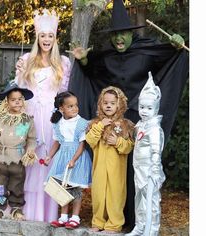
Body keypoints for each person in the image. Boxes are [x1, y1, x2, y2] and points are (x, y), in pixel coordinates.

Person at [68, 0, 189, 229]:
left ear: (131, 34)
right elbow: (91, 72)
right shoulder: (105, 57)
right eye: (115, 35)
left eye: (123, 34)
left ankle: (137, 222)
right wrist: (83, 60)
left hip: (139, 120)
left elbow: (171, 55)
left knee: (138, 168)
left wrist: (177, 44)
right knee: (113, 169)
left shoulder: (146, 51)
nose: (119, 39)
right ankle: (111, 219)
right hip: (114, 121)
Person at [14, 9, 71, 222]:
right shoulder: (27, 59)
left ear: (55, 38)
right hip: (30, 117)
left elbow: (65, 94)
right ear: (37, 38)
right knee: (28, 158)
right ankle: (25, 209)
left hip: (52, 119)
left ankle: (48, 212)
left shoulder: (63, 63)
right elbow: (18, 90)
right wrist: (20, 72)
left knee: (48, 160)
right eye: (42, 35)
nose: (46, 39)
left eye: (50, 36)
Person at [0, 81, 37, 222]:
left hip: (18, 159)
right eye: (13, 100)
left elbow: (32, 139)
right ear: (7, 102)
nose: (17, 102)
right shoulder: (0, 117)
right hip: (1, 159)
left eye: (20, 99)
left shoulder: (28, 120)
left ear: (23, 100)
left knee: (16, 185)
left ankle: (16, 209)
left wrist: (31, 151)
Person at [85, 86, 134, 234]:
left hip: (116, 170)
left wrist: (117, 142)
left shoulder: (126, 125)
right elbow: (90, 140)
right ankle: (98, 222)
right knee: (99, 195)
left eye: (112, 103)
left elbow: (129, 147)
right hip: (99, 167)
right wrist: (101, 126)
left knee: (116, 196)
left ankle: (114, 224)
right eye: (105, 102)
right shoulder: (95, 124)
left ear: (119, 105)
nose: (108, 105)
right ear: (100, 104)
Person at [125, 72, 166, 236]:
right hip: (139, 168)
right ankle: (140, 226)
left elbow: (156, 150)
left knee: (152, 200)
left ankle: (152, 229)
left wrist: (155, 169)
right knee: (139, 198)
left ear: (156, 108)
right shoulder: (140, 125)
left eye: (149, 108)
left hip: (150, 170)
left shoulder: (155, 128)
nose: (144, 111)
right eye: (142, 107)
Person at [44, 91, 92, 229]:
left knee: (75, 187)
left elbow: (82, 145)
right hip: (62, 158)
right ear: (61, 108)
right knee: (61, 187)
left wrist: (73, 160)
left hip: (77, 158)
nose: (75, 108)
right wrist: (49, 156)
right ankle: (63, 216)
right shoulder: (58, 123)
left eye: (76, 105)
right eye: (70, 106)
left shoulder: (82, 123)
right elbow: (57, 143)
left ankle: (75, 217)